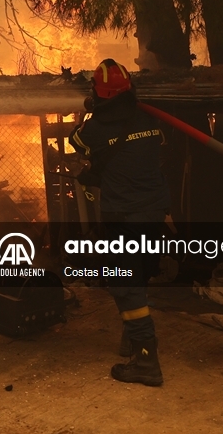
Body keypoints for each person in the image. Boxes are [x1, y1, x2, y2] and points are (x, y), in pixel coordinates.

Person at [69, 59, 170, 386]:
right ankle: (131, 338)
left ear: (99, 95)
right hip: (154, 214)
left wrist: (86, 114)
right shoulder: (151, 120)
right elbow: (156, 149)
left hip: (124, 217)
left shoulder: (95, 129)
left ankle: (146, 361)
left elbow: (77, 143)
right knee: (137, 274)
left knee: (123, 284)